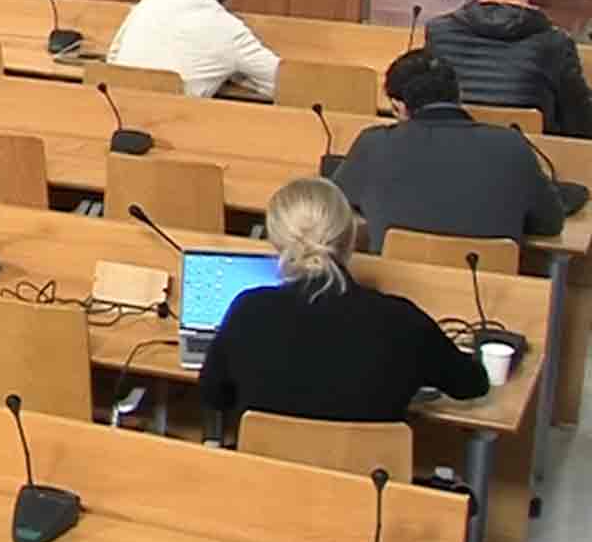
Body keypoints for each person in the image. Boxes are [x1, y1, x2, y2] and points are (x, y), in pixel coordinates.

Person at [199, 178, 489, 423]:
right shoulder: (402, 321)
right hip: (371, 487)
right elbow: (471, 385)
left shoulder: (248, 312)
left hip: (267, 484)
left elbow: (214, 396)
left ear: (276, 242)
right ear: (351, 237)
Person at [334, 50, 563, 251]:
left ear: (398, 107)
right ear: (458, 95)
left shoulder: (374, 145)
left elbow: (334, 206)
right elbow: (550, 223)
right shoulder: (512, 145)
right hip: (486, 292)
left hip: (397, 286)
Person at [424, 0, 592, 138]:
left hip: (452, 142)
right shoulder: (555, 41)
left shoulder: (438, 32)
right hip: (533, 152)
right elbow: (579, 118)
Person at [105, 0, 281, 98]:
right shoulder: (230, 31)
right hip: (176, 124)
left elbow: (113, 56)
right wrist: (237, 75)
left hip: (114, 114)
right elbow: (280, 82)